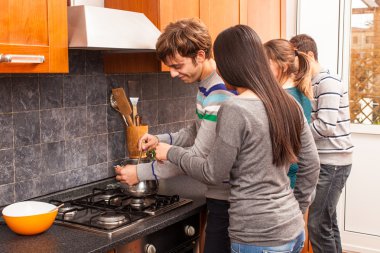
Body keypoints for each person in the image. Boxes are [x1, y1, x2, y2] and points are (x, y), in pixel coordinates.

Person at [154, 25, 320, 253]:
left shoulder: (235, 109)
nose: (218, 71)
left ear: (230, 64)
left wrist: (170, 152)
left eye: (220, 63)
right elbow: (312, 165)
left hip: (256, 237)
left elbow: (212, 172)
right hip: (292, 231)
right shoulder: (288, 103)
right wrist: (296, 208)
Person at [114, 18, 236, 253]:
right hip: (220, 193)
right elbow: (196, 130)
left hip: (226, 198)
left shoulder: (217, 93)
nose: (172, 74)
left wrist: (140, 172)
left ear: (200, 56)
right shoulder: (207, 87)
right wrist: (162, 139)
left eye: (177, 66)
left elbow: (197, 157)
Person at [290, 34, 354, 253]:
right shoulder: (312, 82)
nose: (293, 68)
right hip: (326, 161)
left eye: (295, 60)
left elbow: (325, 126)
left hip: (333, 163)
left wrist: (294, 136)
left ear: (309, 55)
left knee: (317, 225)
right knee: (328, 222)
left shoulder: (328, 81)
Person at [264, 38, 313, 189]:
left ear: (283, 67)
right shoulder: (300, 92)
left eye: (267, 64)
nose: (262, 69)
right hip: (294, 176)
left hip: (285, 178)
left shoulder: (284, 99)